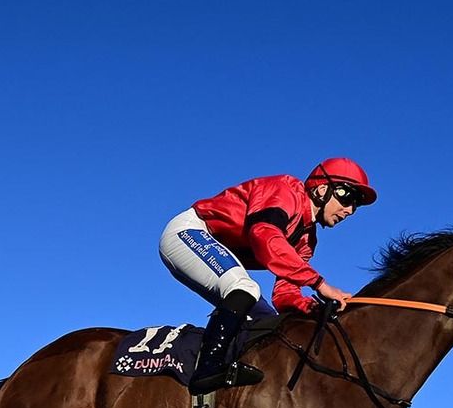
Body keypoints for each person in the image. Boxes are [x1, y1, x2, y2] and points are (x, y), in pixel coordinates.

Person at [158, 157, 377, 394]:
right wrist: (319, 284)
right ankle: (208, 370)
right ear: (322, 189)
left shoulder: (306, 242)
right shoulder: (286, 190)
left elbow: (284, 294)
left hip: (213, 249)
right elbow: (264, 235)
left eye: (356, 205)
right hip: (189, 232)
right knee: (245, 289)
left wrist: (311, 308)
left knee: (265, 319)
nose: (350, 210)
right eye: (348, 197)